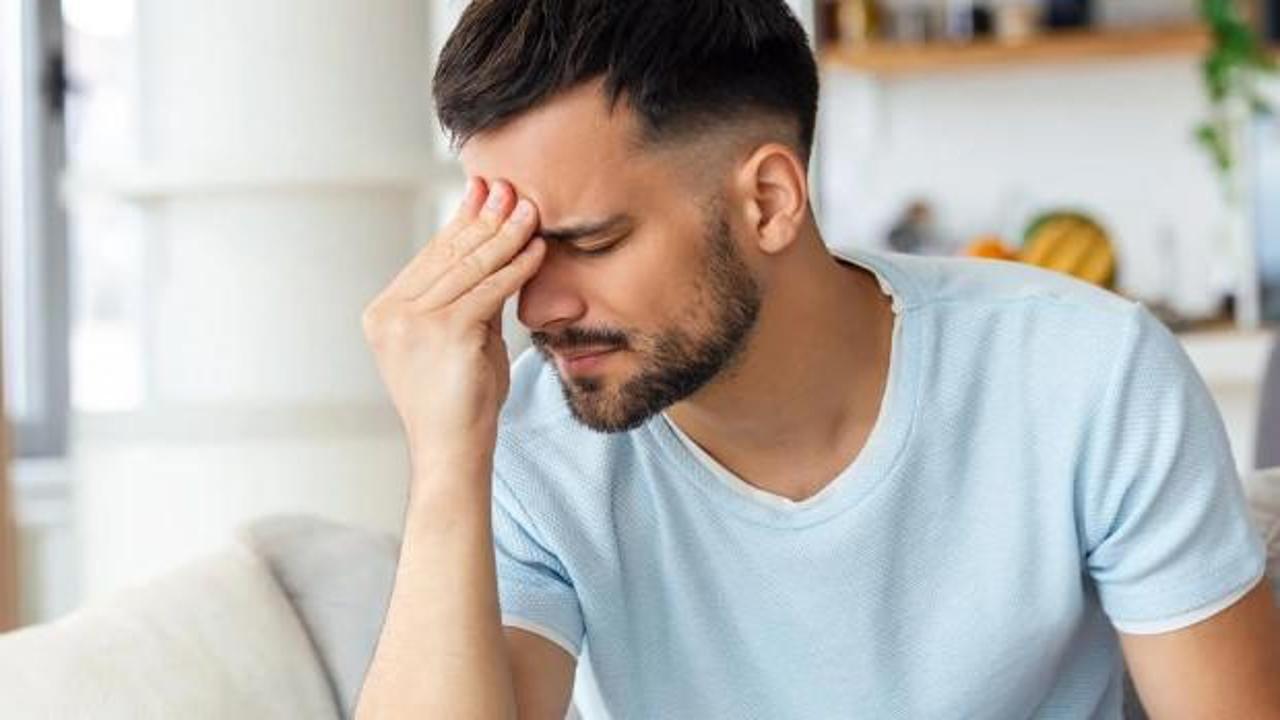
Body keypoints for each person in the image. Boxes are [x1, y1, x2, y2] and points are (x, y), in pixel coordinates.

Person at [355, 1, 1280, 717]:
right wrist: (447, 458)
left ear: (768, 201)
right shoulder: (530, 446)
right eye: (514, 250)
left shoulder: (1090, 378)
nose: (537, 307)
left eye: (591, 242)